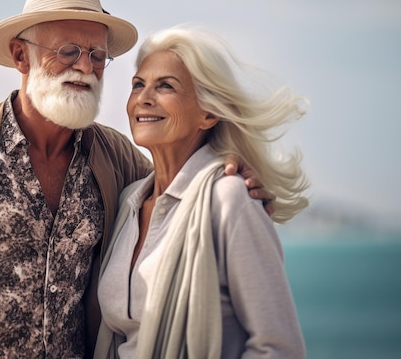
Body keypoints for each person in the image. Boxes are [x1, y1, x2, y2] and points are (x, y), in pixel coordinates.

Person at [0, 0, 272, 359]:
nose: (85, 67)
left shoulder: (119, 161)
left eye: (98, 56)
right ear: (20, 56)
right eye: (67, 51)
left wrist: (229, 175)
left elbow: (179, 200)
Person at [95, 24, 310, 359]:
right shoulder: (128, 202)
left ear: (209, 113)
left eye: (165, 86)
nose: (143, 98)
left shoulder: (229, 199)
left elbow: (279, 348)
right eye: (138, 84)